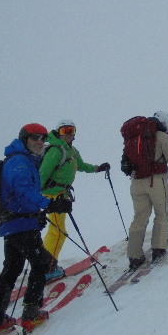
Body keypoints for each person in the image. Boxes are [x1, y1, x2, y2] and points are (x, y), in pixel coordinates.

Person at [0, 123, 68, 335]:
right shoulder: (19, 161)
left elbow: (20, 194)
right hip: (20, 224)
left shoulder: (25, 159)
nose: (39, 142)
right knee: (41, 263)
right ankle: (31, 313)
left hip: (15, 224)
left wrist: (37, 213)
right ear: (24, 139)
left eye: (42, 138)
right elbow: (22, 190)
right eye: (34, 138)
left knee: (12, 269)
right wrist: (48, 204)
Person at [40, 119, 109, 280]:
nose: (69, 134)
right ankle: (46, 268)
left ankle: (44, 264)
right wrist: (35, 197)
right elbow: (42, 174)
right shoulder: (56, 151)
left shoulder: (71, 151)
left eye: (71, 131)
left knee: (56, 231)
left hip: (62, 195)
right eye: (65, 131)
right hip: (53, 196)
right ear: (58, 132)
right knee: (59, 232)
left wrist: (97, 168)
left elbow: (81, 165)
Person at [127, 111, 168, 269]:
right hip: (156, 181)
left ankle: (134, 256)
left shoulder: (134, 135)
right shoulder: (161, 136)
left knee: (139, 218)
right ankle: (158, 249)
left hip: (136, 181)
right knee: (162, 214)